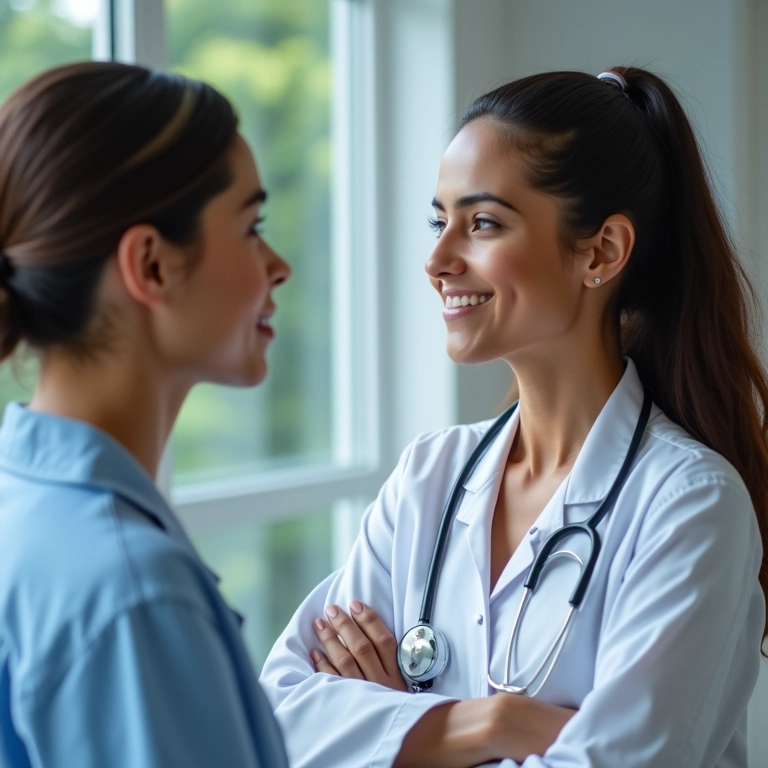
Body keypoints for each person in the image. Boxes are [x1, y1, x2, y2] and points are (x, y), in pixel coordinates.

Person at [260, 66, 768, 768]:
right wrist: (497, 724)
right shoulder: (429, 477)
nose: (437, 259)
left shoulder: (689, 504)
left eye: (483, 223)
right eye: (439, 221)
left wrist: (399, 734)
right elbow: (278, 716)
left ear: (602, 251)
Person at [0, 62, 291, 767]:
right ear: (152, 265)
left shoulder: (23, 506)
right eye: (251, 226)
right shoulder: (134, 591)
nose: (277, 264)